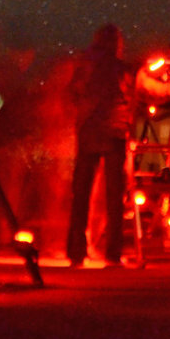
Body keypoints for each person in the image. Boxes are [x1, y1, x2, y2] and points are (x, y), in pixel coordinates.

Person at [64, 23, 132, 266]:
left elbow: (72, 93)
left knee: (81, 195)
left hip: (87, 132)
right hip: (113, 133)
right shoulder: (119, 68)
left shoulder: (84, 64)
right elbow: (146, 91)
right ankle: (112, 255)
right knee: (114, 198)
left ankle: (76, 254)